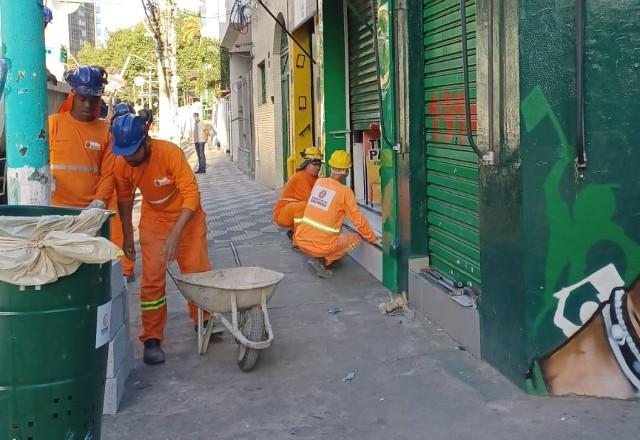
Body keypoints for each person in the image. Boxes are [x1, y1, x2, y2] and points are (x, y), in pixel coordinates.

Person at [111, 113, 211, 365]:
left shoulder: (169, 153)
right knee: (152, 280)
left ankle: (204, 321)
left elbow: (191, 194)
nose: (130, 158)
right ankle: (152, 338)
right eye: (125, 153)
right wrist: (127, 237)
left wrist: (175, 235)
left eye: (133, 151)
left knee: (196, 274)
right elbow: (124, 199)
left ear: (146, 139)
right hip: (154, 220)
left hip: (187, 219)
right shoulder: (123, 163)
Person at [293, 151, 380, 279]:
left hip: (301, 239)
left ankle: (317, 257)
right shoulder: (345, 192)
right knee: (355, 239)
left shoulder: (319, 182)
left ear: (330, 167)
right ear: (346, 172)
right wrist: (373, 238)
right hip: (321, 245)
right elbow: (358, 220)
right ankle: (323, 261)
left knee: (334, 234)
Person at [272, 147, 323, 239]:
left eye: (319, 164)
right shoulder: (301, 177)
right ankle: (299, 237)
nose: (318, 167)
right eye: (315, 164)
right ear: (306, 164)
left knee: (307, 207)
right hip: (282, 214)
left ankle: (295, 232)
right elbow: (311, 202)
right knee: (305, 206)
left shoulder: (314, 178)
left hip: (290, 211)